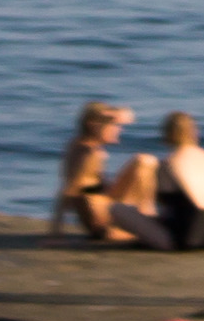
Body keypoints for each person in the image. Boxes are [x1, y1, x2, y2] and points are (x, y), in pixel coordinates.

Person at [108, 111, 204, 251]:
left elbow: (155, 202)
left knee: (116, 209)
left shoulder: (169, 163)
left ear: (168, 134)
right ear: (194, 132)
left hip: (182, 241)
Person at [46, 100, 139, 241]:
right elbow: (68, 192)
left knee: (140, 163)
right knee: (143, 164)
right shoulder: (91, 154)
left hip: (102, 218)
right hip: (105, 227)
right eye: (112, 124)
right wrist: (55, 234)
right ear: (93, 125)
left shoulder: (76, 145)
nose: (119, 129)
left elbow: (87, 190)